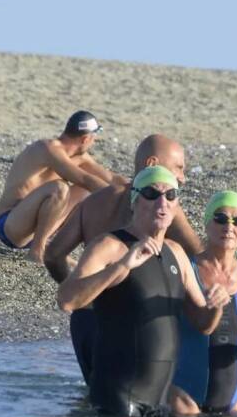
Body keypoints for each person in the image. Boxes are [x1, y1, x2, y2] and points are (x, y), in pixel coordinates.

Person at [56, 166, 229, 417]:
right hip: (116, 397)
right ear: (135, 201)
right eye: (151, 193)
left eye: (171, 195)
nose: (163, 201)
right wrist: (122, 266)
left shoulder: (177, 253)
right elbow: (67, 299)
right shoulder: (110, 246)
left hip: (157, 401)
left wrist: (216, 306)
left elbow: (203, 324)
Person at [44, 134, 204, 384]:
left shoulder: (95, 200)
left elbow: (53, 255)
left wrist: (85, 289)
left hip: (86, 319)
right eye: (178, 168)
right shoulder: (164, 204)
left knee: (97, 399)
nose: (182, 177)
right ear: (152, 163)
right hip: (130, 325)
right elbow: (200, 257)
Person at [171, 191, 237, 416]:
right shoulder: (187, 269)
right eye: (221, 218)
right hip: (184, 400)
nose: (229, 226)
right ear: (207, 224)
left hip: (236, 402)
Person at [0, 110, 119, 263]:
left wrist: (142, 187)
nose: (95, 141)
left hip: (32, 229)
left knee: (84, 191)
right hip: (11, 226)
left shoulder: (79, 157)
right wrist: (119, 200)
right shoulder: (47, 149)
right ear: (86, 138)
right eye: (94, 137)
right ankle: (37, 251)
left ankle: (55, 247)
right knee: (59, 188)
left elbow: (111, 178)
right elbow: (85, 179)